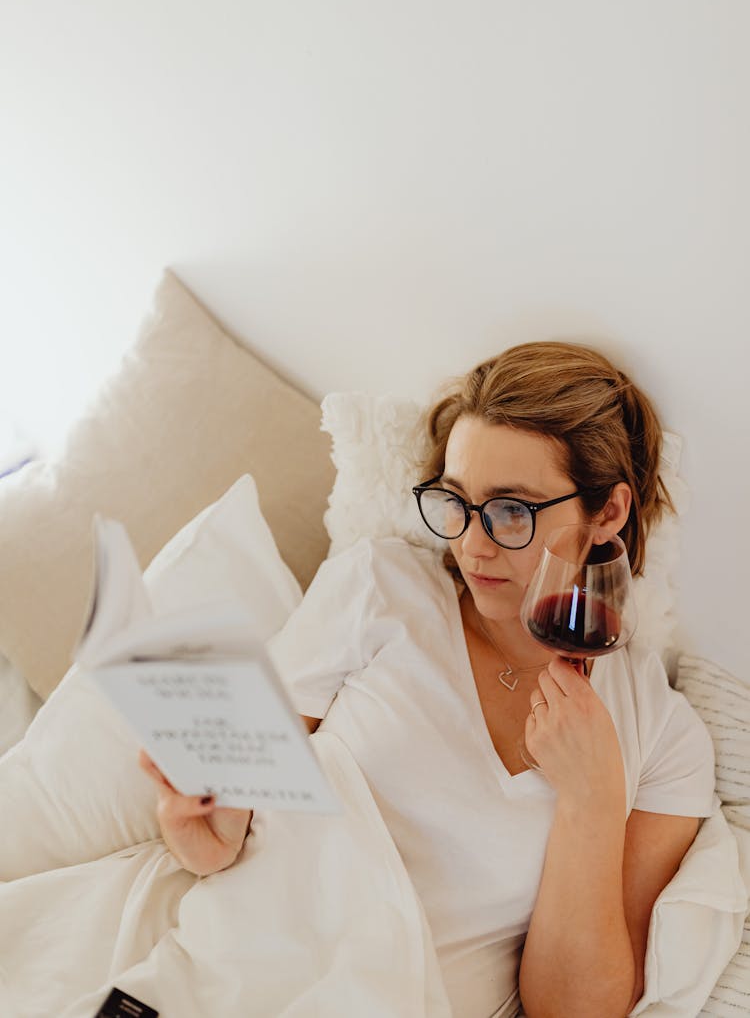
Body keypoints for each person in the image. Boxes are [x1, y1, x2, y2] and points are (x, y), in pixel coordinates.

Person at [138, 341, 716, 1018]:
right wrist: (202, 835)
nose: (471, 544)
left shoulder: (665, 739)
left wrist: (592, 797)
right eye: (456, 501)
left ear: (607, 514)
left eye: (511, 511)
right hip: (239, 975)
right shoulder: (376, 588)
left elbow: (574, 1010)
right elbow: (235, 809)